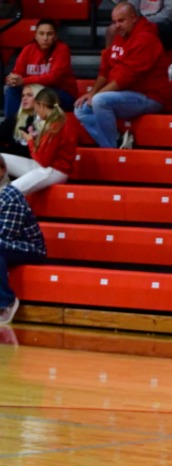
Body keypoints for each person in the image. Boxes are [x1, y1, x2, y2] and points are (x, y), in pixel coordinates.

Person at [74, 2, 168, 149]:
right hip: (125, 94)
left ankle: (112, 150)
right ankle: (117, 143)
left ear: (133, 18)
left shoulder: (146, 38)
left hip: (149, 96)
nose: (117, 26)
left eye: (121, 21)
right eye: (114, 22)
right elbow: (105, 69)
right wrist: (92, 93)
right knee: (81, 109)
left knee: (100, 101)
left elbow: (126, 77)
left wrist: (97, 95)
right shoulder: (120, 36)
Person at [0, 154, 47, 325]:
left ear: (2, 171)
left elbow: (6, 234)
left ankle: (7, 302)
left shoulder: (10, 196)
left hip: (29, 248)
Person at [2, 88, 77, 195]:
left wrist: (30, 141)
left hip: (54, 170)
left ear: (41, 105)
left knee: (9, 192)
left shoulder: (55, 126)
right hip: (44, 166)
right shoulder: (58, 121)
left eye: (36, 110)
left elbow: (43, 160)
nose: (37, 114)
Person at [4, 19, 77, 118]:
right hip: (34, 90)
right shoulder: (28, 49)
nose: (45, 38)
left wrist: (24, 81)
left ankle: (35, 125)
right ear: (36, 36)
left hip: (62, 93)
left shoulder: (62, 49)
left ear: (55, 36)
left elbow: (53, 78)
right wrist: (12, 80)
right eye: (41, 34)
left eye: (49, 34)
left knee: (39, 95)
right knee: (12, 90)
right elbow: (17, 73)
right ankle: (11, 125)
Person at [106, 0, 172, 50]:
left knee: (144, 32)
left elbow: (169, 16)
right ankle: (110, 63)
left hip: (171, 27)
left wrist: (141, 22)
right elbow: (132, 8)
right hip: (142, 21)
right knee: (113, 29)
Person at [0, 83, 44, 158]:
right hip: (13, 159)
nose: (24, 99)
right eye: (23, 96)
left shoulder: (48, 121)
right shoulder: (14, 119)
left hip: (36, 162)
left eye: (29, 95)